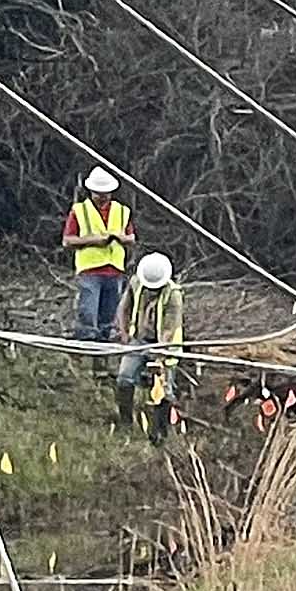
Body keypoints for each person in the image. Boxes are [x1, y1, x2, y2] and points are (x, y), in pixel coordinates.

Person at [113, 250, 184, 441]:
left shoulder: (173, 295)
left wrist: (159, 358)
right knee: (124, 378)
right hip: (139, 340)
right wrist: (125, 333)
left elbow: (169, 329)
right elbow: (124, 307)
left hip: (165, 346)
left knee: (163, 388)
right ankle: (125, 423)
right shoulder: (136, 283)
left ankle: (160, 432)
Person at [62, 166, 134, 340]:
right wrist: (93, 240)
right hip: (90, 269)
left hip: (114, 269)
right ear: (91, 191)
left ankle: (105, 342)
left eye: (106, 193)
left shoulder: (122, 211)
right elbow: (67, 240)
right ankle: (87, 343)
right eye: (98, 193)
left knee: (109, 316)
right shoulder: (80, 211)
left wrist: (120, 238)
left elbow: (131, 237)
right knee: (88, 313)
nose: (102, 197)